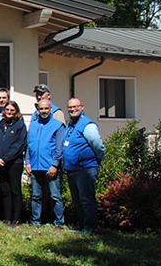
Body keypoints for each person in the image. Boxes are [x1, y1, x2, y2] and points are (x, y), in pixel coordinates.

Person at [63, 98, 105, 233]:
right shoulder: (70, 125)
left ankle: (90, 226)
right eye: (70, 107)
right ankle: (81, 224)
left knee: (86, 199)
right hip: (72, 168)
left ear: (82, 107)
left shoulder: (87, 124)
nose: (72, 109)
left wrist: (98, 159)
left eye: (75, 106)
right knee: (77, 199)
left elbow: (97, 144)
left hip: (85, 168)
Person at [26, 98, 65, 228]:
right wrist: (27, 161)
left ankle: (59, 222)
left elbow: (59, 149)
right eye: (41, 109)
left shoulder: (57, 125)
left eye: (46, 108)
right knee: (36, 196)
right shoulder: (33, 125)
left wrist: (55, 165)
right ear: (37, 109)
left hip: (50, 167)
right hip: (35, 166)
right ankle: (35, 220)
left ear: (50, 109)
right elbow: (28, 145)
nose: (43, 111)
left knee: (55, 196)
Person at [0, 100, 28, 226]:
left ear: (16, 111)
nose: (10, 112)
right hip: (0, 164)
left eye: (12, 110)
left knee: (15, 191)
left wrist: (6, 158)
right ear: (4, 111)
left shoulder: (20, 126)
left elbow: (19, 145)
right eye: (7, 110)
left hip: (14, 164)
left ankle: (16, 217)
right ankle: (7, 218)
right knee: (5, 191)